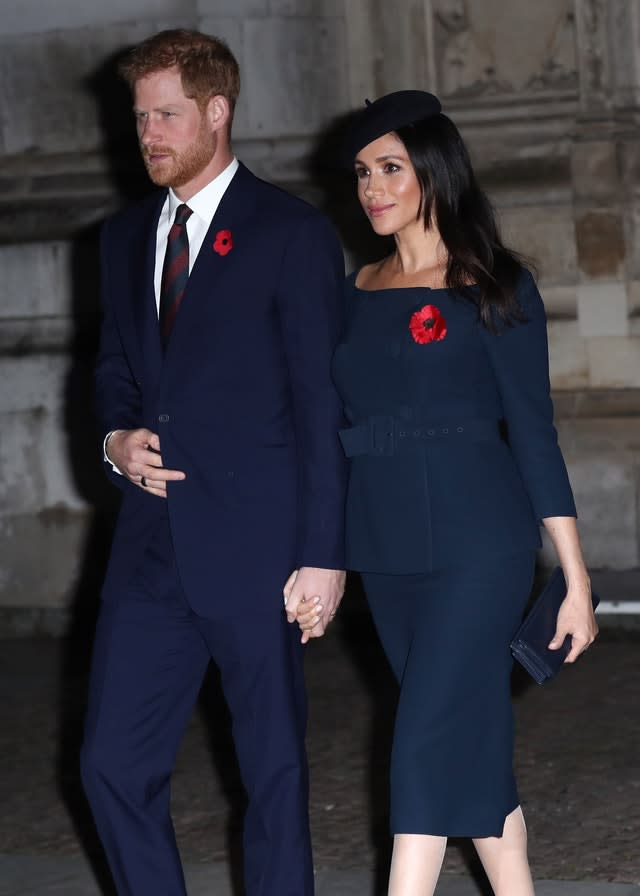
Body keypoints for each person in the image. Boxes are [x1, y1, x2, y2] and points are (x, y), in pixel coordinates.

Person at [297, 91, 598, 895]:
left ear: (434, 170)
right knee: (466, 736)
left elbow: (535, 436)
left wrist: (575, 580)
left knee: (423, 740)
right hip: (386, 551)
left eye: (390, 168)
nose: (372, 187)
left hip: (480, 547)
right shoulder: (352, 289)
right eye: (362, 172)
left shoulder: (494, 287)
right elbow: (321, 429)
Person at [80, 29, 346, 896]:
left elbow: (320, 403)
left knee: (271, 778)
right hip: (151, 552)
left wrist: (325, 552)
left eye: (166, 115)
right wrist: (117, 442)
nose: (147, 133)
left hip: (261, 550)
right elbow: (115, 370)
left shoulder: (290, 232)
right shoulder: (121, 238)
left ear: (217, 111)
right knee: (111, 766)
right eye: (139, 117)